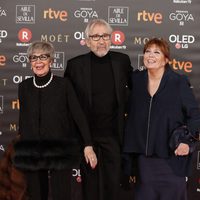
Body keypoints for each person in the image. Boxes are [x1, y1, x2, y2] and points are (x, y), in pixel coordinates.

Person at [123, 38, 200, 200]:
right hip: (144, 160)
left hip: (171, 158)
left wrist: (187, 140)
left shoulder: (178, 82)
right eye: (147, 52)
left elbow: (194, 114)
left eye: (156, 52)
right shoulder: (136, 80)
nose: (150, 56)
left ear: (165, 59)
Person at [13, 41, 91, 200]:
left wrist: (88, 144)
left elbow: (78, 115)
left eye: (43, 57)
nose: (38, 61)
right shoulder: (24, 87)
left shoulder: (64, 85)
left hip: (60, 147)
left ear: (51, 60)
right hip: (33, 147)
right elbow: (24, 117)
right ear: (30, 63)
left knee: (61, 193)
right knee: (36, 193)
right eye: (34, 58)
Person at [64, 19, 132, 200]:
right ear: (87, 41)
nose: (101, 41)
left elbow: (135, 93)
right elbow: (70, 106)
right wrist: (85, 143)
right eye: (95, 36)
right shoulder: (75, 66)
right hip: (87, 139)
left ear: (111, 39)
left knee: (113, 188)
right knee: (90, 189)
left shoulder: (122, 61)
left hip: (114, 137)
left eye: (105, 36)